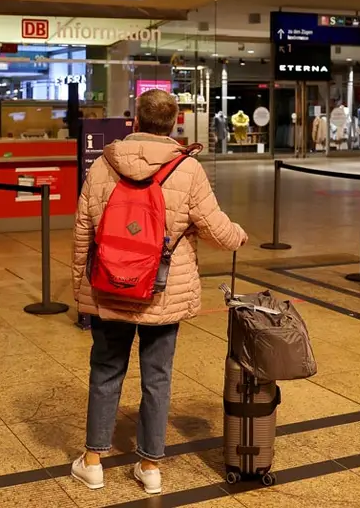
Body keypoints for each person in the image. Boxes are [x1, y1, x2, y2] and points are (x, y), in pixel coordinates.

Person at [69, 89, 247, 495]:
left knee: (105, 370)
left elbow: (83, 231)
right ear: (175, 122)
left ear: (135, 122)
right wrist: (239, 236)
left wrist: (83, 283)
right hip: (161, 291)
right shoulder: (188, 169)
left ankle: (93, 462)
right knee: (158, 377)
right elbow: (217, 228)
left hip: (109, 288)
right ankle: (149, 467)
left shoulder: (102, 165)